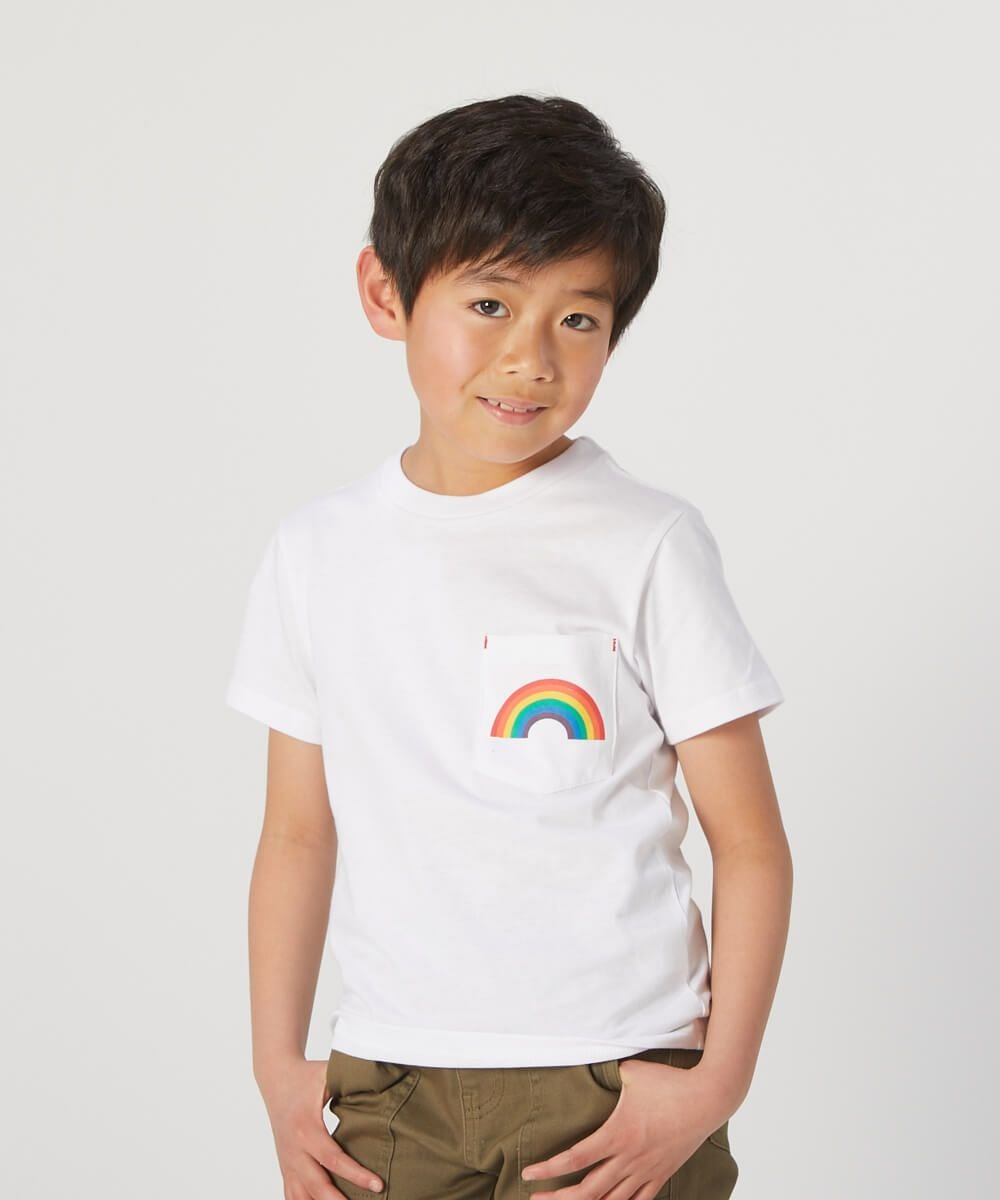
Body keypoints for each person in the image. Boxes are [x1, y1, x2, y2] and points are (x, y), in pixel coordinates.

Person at [225, 93, 793, 1200]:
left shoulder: (647, 541)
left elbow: (752, 843)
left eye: (578, 320)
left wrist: (715, 1084)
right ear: (385, 294)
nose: (530, 358)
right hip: (390, 1086)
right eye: (489, 303)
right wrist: (275, 1068)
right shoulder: (315, 553)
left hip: (615, 1084)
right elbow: (296, 832)